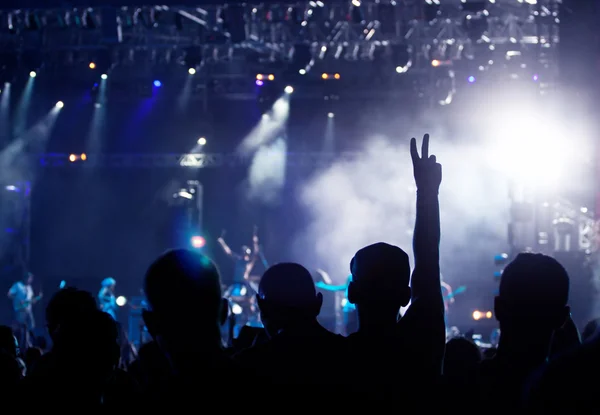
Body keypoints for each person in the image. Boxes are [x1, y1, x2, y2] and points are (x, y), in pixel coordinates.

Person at [8, 272, 41, 346]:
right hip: (20, 310)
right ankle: (18, 343)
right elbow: (9, 294)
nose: (31, 280)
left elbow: (30, 299)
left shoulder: (29, 287)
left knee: (31, 326)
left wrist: (34, 300)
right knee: (20, 327)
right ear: (26, 278)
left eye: (31, 278)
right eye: (30, 278)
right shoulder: (17, 285)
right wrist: (18, 300)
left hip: (28, 310)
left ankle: (27, 342)